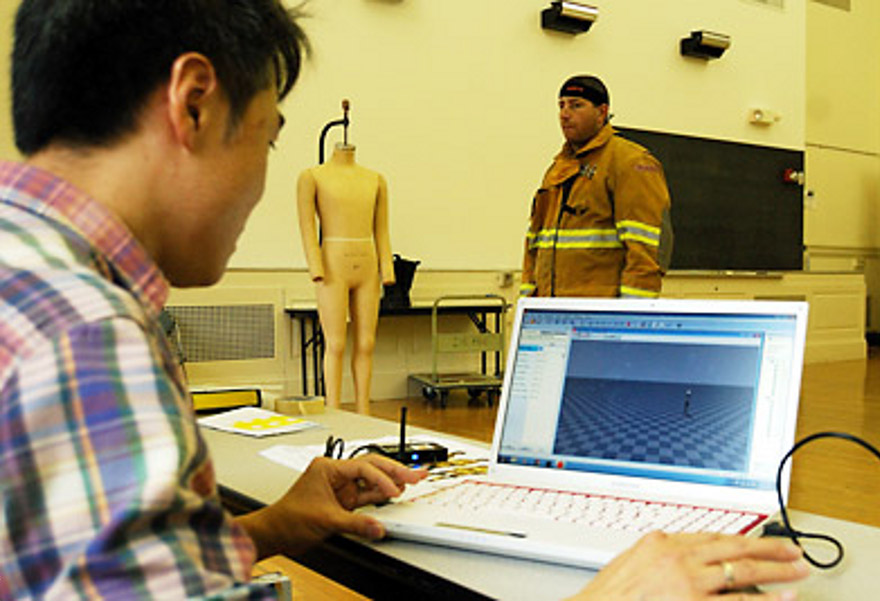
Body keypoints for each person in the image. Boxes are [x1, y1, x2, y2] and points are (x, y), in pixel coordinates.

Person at [0, 3, 808, 598]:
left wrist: (276, 524)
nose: (264, 181)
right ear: (194, 102)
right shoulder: (89, 338)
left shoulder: (32, 277)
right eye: (270, 136)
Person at [521, 75, 671, 299]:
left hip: (600, 317)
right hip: (551, 314)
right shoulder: (557, 170)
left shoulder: (631, 162)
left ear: (602, 112)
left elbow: (646, 252)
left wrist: (630, 314)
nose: (564, 114)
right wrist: (528, 303)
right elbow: (534, 246)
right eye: (561, 105)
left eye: (576, 105)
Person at [296, 142, 395, 414]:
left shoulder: (375, 180)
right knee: (336, 343)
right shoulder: (312, 176)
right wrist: (315, 265)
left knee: (366, 343)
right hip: (332, 265)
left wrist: (387, 267)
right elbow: (307, 227)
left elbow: (382, 230)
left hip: (367, 263)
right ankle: (334, 409)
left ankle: (364, 410)